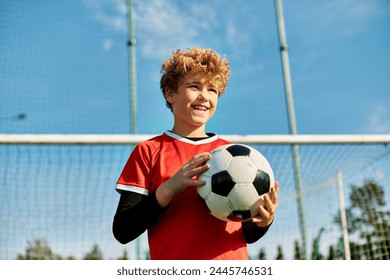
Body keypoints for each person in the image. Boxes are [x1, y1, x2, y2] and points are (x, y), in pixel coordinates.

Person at [112, 47, 279, 260]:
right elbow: (123, 231)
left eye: (213, 90)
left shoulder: (236, 155)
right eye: (194, 86)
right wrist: (169, 189)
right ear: (170, 93)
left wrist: (263, 222)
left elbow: (246, 234)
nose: (204, 96)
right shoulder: (148, 151)